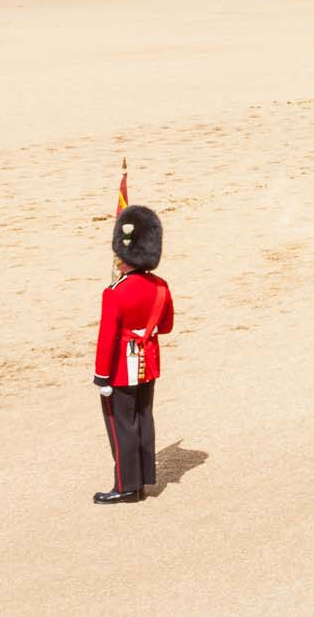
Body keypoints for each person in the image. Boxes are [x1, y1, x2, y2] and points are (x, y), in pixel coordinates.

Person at [94, 204, 174, 504]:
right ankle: (142, 480)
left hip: (120, 367)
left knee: (121, 425)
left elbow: (106, 339)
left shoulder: (115, 292)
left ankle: (126, 486)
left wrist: (101, 375)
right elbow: (165, 326)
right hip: (148, 363)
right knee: (143, 419)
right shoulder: (161, 286)